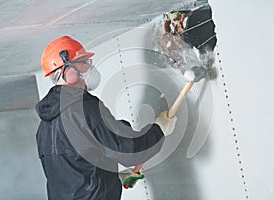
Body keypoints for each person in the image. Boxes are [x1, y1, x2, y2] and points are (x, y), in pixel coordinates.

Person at [35, 35, 177, 200]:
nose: (90, 67)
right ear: (68, 71)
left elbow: (76, 171)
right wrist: (159, 129)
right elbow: (130, 151)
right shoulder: (84, 108)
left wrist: (113, 180)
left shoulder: (45, 126)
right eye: (84, 62)